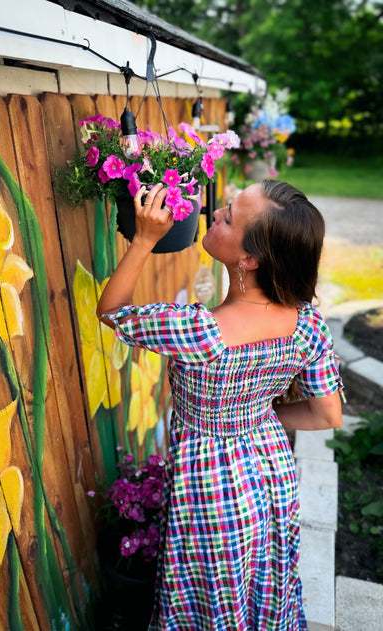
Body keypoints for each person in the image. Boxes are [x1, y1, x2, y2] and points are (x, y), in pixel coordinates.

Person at [97, 180, 343, 631]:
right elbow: (326, 414)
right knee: (265, 583)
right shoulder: (306, 322)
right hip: (271, 474)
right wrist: (257, 417)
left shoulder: (198, 332)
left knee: (211, 600)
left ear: (248, 259)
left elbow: (112, 310)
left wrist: (145, 240)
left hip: (210, 487)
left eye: (228, 217)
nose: (214, 214)